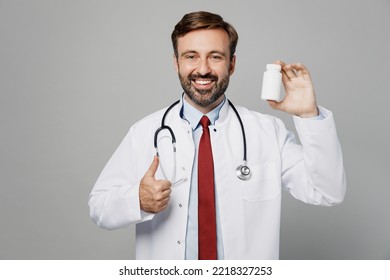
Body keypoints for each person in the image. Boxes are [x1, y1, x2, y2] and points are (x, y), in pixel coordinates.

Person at [89, 11, 346, 260]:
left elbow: (327, 192)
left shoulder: (268, 132)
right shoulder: (145, 132)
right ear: (176, 63)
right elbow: (99, 207)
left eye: (215, 57)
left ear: (231, 64)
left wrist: (309, 116)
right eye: (191, 56)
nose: (203, 69)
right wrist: (137, 200)